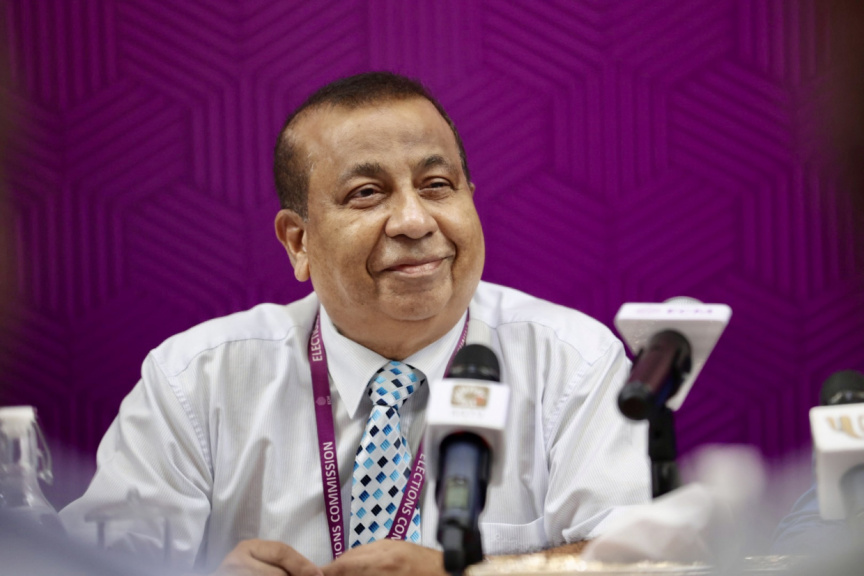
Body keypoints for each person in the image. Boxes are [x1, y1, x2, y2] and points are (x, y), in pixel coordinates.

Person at [60, 72, 650, 575]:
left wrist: (472, 572)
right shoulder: (197, 380)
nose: (415, 221)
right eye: (367, 193)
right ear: (299, 242)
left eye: (437, 186)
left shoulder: (573, 363)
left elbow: (645, 562)